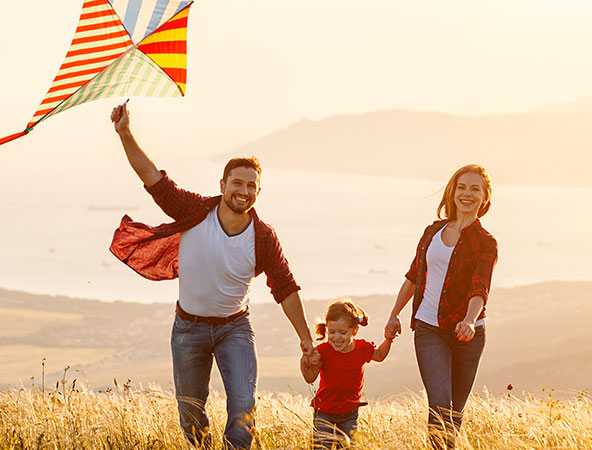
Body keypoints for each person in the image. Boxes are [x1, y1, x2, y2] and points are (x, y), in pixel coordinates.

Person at [107, 101, 315, 449]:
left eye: (251, 186)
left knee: (244, 406)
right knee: (190, 411)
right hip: (188, 328)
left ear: (258, 192)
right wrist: (125, 133)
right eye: (237, 183)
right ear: (223, 184)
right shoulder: (194, 210)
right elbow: (152, 178)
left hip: (235, 328)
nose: (243, 191)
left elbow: (286, 288)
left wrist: (306, 338)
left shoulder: (263, 237)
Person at [383, 164, 498, 450]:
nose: (467, 194)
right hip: (428, 329)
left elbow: (479, 286)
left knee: (454, 414)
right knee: (440, 406)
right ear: (452, 191)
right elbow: (413, 275)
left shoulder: (486, 243)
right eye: (461, 187)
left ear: (485, 197)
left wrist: (470, 320)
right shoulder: (432, 231)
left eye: (475, 189)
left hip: (467, 336)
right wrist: (394, 314)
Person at [299, 299, 396, 449]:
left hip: (349, 413)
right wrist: (304, 363)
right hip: (324, 412)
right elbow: (310, 378)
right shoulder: (323, 351)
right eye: (331, 332)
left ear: (354, 331)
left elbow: (380, 355)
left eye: (342, 333)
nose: (336, 337)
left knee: (348, 447)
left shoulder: (362, 348)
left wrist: (388, 339)